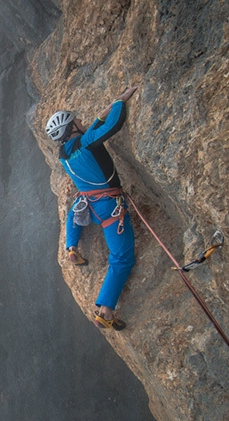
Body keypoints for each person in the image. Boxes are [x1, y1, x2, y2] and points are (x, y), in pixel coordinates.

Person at [45, 86, 138, 330]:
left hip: (90, 203)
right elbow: (114, 125)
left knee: (74, 210)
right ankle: (105, 311)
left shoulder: (63, 154)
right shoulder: (86, 143)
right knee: (122, 258)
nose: (80, 121)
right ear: (72, 128)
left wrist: (99, 115)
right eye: (76, 121)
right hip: (109, 207)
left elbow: (92, 132)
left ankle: (71, 246)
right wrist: (119, 102)